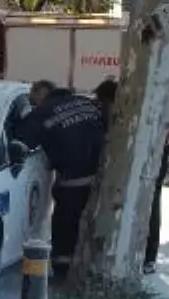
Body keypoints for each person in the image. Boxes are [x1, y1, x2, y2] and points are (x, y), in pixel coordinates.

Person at [8, 79, 109, 279]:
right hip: (104, 180)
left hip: (73, 182)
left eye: (34, 101)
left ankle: (63, 274)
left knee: (65, 228)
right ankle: (94, 269)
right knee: (94, 228)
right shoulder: (87, 103)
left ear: (42, 95)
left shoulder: (42, 113)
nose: (34, 105)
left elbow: (19, 143)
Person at [143, 114, 169, 275]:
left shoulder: (155, 104)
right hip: (143, 149)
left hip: (156, 152)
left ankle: (149, 257)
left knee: (153, 201)